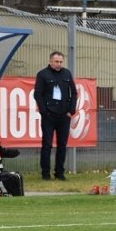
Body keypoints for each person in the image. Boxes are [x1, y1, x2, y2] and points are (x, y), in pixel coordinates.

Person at [34, 51, 77, 181]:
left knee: (62, 144)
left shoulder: (67, 73)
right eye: (56, 61)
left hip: (64, 115)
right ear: (50, 61)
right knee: (47, 144)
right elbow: (38, 94)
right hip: (49, 115)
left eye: (60, 62)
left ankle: (59, 172)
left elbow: (74, 93)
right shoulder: (42, 74)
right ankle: (45, 173)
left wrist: (71, 110)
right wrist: (43, 111)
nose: (59, 64)